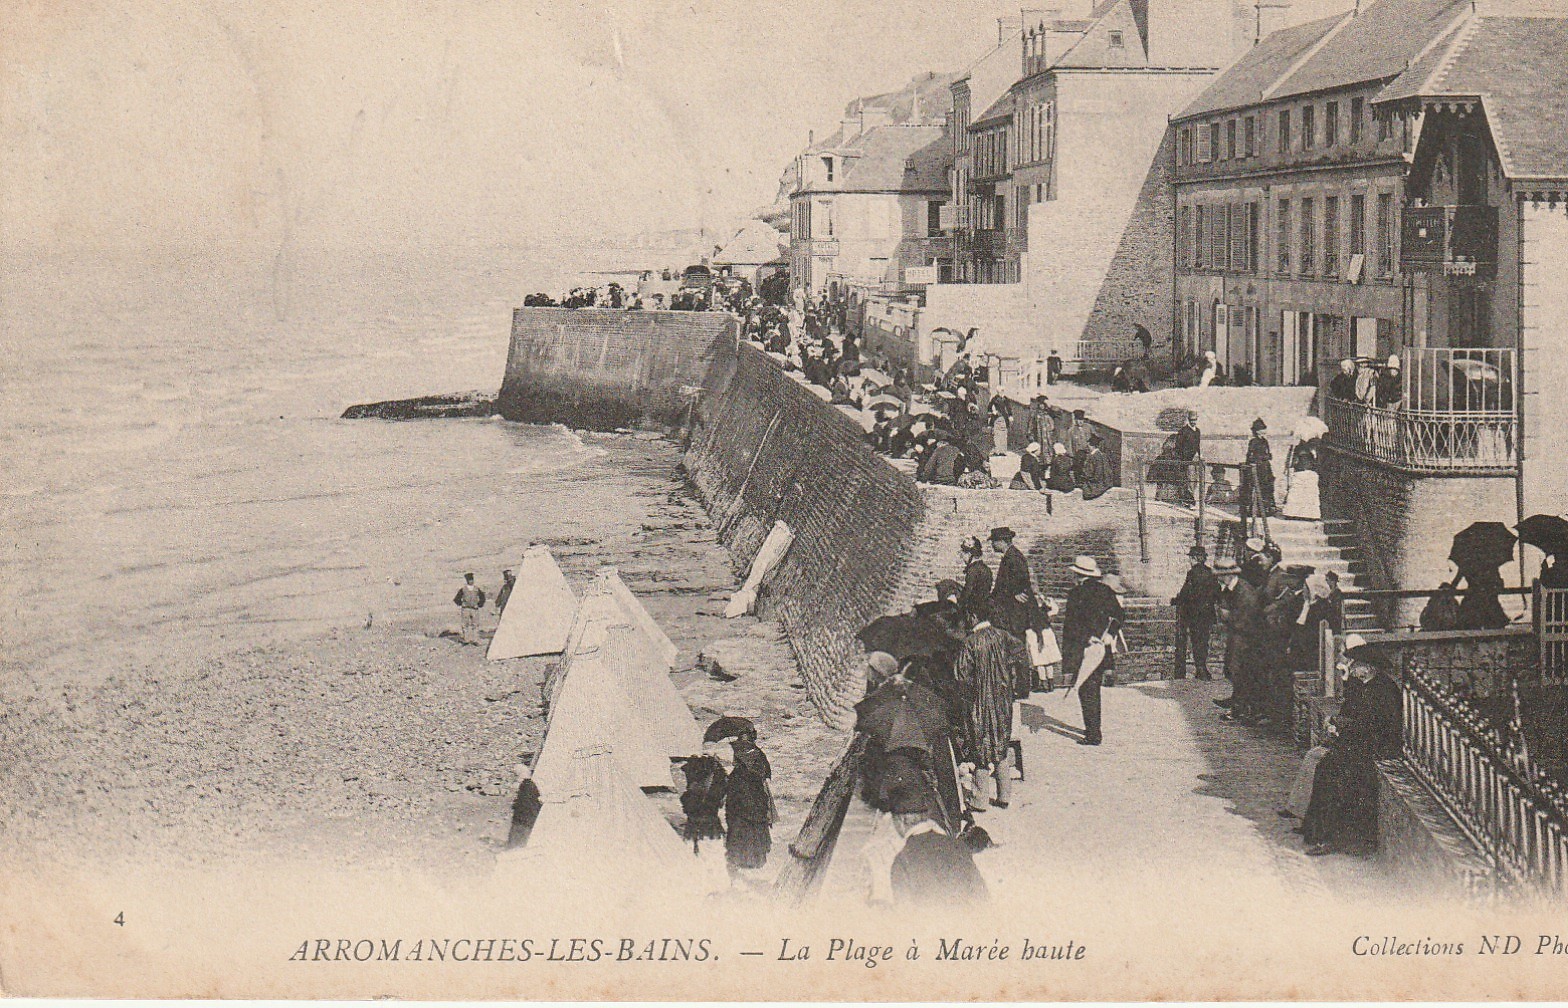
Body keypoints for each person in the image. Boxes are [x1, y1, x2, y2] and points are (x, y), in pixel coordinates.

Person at [1300, 639, 1401, 856]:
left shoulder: (1384, 690)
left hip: (1377, 748)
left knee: (1332, 772)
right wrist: (1339, 725)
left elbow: (1377, 726)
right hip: (1359, 743)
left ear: (1368, 668)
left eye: (1356, 664)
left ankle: (1329, 837)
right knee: (1325, 766)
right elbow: (1352, 715)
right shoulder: (1363, 686)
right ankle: (1315, 830)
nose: (1352, 668)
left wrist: (1341, 725)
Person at [952, 603, 1029, 810]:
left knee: (980, 748)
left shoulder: (970, 642)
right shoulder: (1003, 636)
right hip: (1003, 701)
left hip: (979, 702)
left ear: (974, 615)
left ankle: (980, 799)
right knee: (1000, 745)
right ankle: (1004, 796)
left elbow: (960, 676)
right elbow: (1022, 653)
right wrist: (1010, 675)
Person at [886, 786, 989, 907]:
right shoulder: (958, 846)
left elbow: (905, 915)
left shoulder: (903, 859)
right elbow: (983, 897)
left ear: (901, 820)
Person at [704, 716, 776, 888]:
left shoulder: (737, 756)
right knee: (750, 827)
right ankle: (752, 861)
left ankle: (741, 860)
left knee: (741, 827)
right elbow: (764, 772)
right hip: (751, 798)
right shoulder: (753, 753)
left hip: (741, 798)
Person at [1060, 556, 1124, 746]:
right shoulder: (1105, 591)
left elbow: (1071, 626)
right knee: (1093, 687)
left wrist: (1085, 638)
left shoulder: (1075, 594)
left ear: (1078, 574)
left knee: (1086, 690)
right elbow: (1120, 615)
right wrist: (1110, 634)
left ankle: (1093, 733)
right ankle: (1093, 729)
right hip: (1102, 648)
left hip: (1083, 647)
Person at [1212, 557, 1266, 722]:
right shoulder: (1230, 589)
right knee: (1234, 670)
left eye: (1220, 576)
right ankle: (1238, 706)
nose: (1218, 579)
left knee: (1241, 672)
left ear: (1227, 575)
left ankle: (1244, 709)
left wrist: (1227, 616)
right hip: (1238, 635)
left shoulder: (1244, 591)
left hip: (1247, 638)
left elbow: (1247, 619)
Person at [1172, 545, 1219, 680]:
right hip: (1208, 613)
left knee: (1195, 640)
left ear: (1194, 559)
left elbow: (1186, 593)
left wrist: (1175, 600)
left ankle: (1200, 669)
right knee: (1204, 641)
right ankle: (1202, 667)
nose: (1190, 561)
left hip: (1194, 613)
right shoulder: (1211, 573)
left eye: (1191, 558)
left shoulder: (1192, 573)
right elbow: (1217, 592)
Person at [988, 526, 1037, 640]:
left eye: (994, 541)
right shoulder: (1010, 556)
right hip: (1010, 610)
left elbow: (1022, 579)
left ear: (1002, 541)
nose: (992, 545)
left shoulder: (1013, 557)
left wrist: (1016, 592)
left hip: (1014, 613)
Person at [1240, 418, 1276, 518]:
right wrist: (1261, 458)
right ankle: (1254, 510)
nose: (1264, 431)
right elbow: (1250, 456)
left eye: (1264, 429)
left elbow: (1268, 453)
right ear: (1257, 431)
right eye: (1261, 429)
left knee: (1267, 488)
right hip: (1257, 468)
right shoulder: (1253, 441)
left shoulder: (1265, 441)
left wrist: (1268, 456)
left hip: (1265, 468)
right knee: (1256, 488)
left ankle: (1266, 509)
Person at [1281, 435, 1322, 520]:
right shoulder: (1301, 449)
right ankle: (1293, 513)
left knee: (1307, 494)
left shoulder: (1314, 450)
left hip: (1309, 472)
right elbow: (1295, 461)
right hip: (1302, 472)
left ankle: (1308, 514)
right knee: (1298, 493)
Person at [958, 536, 993, 627]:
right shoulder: (986, 569)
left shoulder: (973, 570)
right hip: (985, 611)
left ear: (970, 554)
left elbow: (967, 593)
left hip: (974, 614)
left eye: (964, 554)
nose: (962, 557)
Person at [1173, 410, 1201, 505]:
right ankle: (1189, 500)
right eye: (1191, 420)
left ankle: (1190, 498)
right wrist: (1184, 458)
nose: (1193, 422)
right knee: (1190, 479)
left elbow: (1198, 445)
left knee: (1196, 480)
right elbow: (1178, 446)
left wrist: (1199, 455)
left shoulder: (1197, 431)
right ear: (1188, 420)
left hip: (1196, 459)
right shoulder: (1183, 431)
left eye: (1195, 420)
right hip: (1187, 459)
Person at [1079, 433, 1115, 501]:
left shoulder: (1093, 457)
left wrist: (1084, 475)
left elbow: (1091, 473)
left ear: (1092, 446)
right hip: (1104, 481)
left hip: (1097, 482)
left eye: (1088, 445)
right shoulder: (1102, 455)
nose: (1087, 448)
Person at [453, 572, 486, 645]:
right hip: (465, 609)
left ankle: (476, 640)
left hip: (474, 609)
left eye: (472, 579)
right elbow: (456, 599)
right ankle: (466, 639)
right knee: (465, 624)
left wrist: (479, 604)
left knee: (475, 624)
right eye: (469, 580)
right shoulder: (463, 589)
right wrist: (461, 604)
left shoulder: (477, 589)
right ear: (467, 580)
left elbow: (482, 597)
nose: (471, 581)